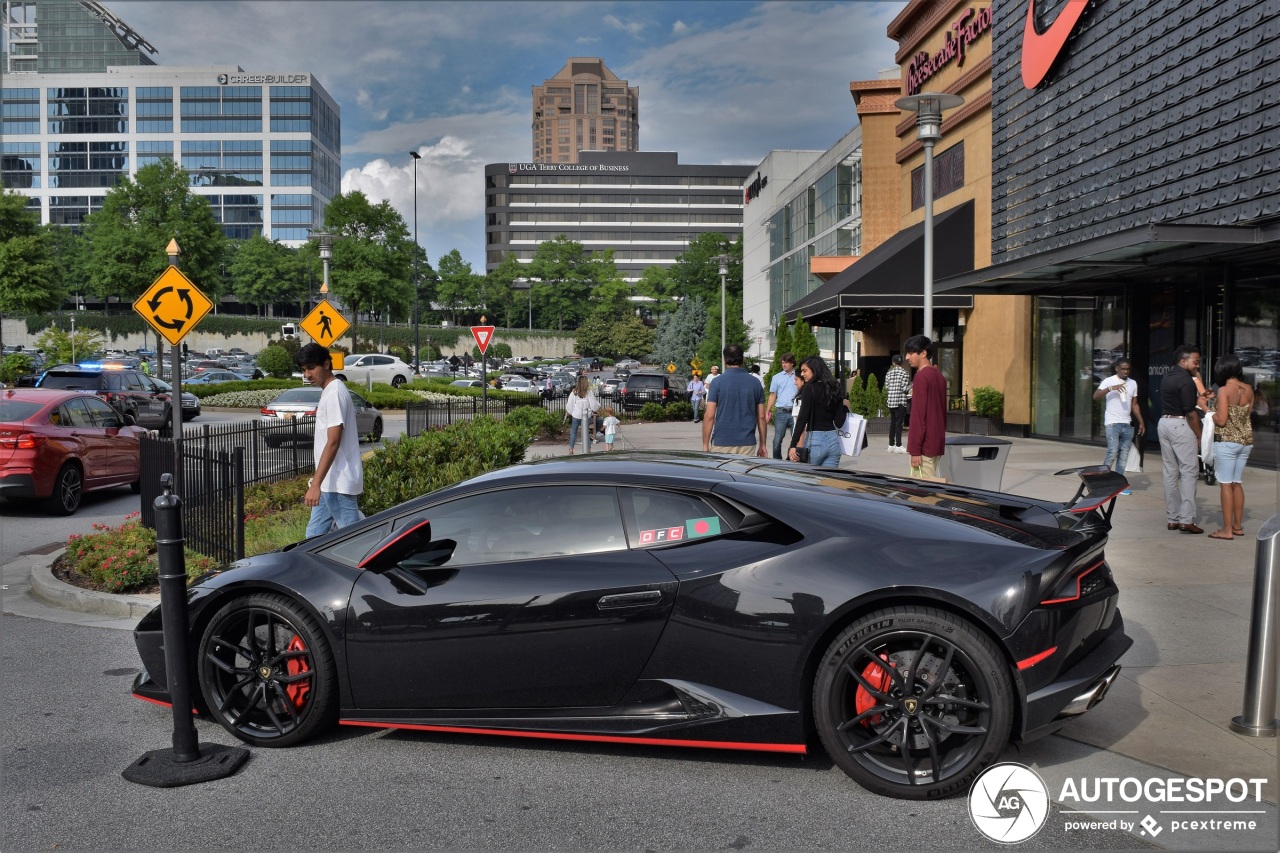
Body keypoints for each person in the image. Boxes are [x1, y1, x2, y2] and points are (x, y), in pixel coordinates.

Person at [294, 343, 364, 537]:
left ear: (326, 364)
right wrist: (320, 483)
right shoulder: (330, 391)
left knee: (353, 542)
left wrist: (315, 484)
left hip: (339, 485)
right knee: (313, 538)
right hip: (330, 483)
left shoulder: (334, 393)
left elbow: (333, 442)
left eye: (311, 368)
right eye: (303, 369)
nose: (307, 374)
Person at [1158, 344, 1204, 534]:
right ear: (1183, 361)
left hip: (1164, 423)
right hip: (1180, 424)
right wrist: (1200, 436)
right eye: (1196, 362)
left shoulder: (1168, 376)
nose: (1198, 366)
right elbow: (1191, 412)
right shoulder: (1186, 381)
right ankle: (1186, 520)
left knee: (1170, 472)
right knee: (1189, 472)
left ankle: (1173, 518)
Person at [1207, 354, 1254, 540]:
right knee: (1237, 483)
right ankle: (1237, 526)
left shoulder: (1224, 390)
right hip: (1245, 441)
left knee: (1225, 484)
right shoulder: (1249, 389)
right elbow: (1246, 416)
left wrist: (1208, 411)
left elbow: (1222, 419)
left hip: (1226, 441)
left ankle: (1226, 530)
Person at [702, 344, 766, 456]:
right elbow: (761, 417)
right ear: (743, 359)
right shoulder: (755, 383)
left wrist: (705, 445)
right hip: (747, 443)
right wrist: (762, 445)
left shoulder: (717, 382)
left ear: (724, 359)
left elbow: (709, 416)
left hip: (722, 442)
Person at [788, 356, 846, 468]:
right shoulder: (835, 388)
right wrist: (845, 407)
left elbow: (802, 419)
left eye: (805, 371)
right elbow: (839, 422)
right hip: (833, 441)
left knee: (810, 482)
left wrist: (793, 445)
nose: (802, 374)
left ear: (815, 370)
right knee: (828, 483)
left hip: (815, 441)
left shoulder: (809, 388)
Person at [1093, 357, 1146, 475]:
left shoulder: (1133, 383)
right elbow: (1095, 396)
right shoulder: (1109, 381)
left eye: (1128, 369)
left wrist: (1141, 422)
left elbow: (1135, 405)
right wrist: (1111, 388)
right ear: (1117, 368)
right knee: (1112, 451)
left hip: (1127, 424)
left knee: (1124, 454)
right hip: (1112, 423)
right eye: (1123, 369)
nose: (1125, 371)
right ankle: (1103, 479)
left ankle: (1119, 483)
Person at [904, 335, 946, 479]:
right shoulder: (939, 376)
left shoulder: (921, 377)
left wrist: (915, 450)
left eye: (910, 353)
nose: (907, 357)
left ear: (923, 353)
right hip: (936, 442)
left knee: (923, 494)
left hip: (925, 446)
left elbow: (918, 415)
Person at [766, 353, 799, 459]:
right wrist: (768, 410)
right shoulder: (776, 377)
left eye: (786, 362)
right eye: (782, 363)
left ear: (792, 363)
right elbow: (772, 395)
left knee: (797, 439)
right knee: (777, 439)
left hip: (796, 411)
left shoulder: (798, 376)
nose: (783, 365)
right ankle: (777, 461)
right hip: (781, 412)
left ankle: (791, 460)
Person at [565, 374, 599, 454]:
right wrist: (595, 409)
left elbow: (570, 404)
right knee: (586, 432)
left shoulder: (574, 392)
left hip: (576, 414)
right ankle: (589, 448)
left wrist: (570, 411)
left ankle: (571, 448)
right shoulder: (588, 392)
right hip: (586, 415)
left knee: (573, 432)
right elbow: (593, 404)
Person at [884, 355, 910, 454]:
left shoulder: (889, 374)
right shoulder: (904, 373)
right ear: (901, 363)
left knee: (892, 423)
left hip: (891, 401)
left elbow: (886, 387)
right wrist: (910, 388)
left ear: (893, 363)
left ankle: (891, 445)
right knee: (899, 424)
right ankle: (898, 445)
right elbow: (904, 388)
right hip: (900, 401)